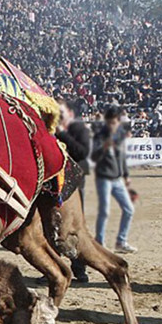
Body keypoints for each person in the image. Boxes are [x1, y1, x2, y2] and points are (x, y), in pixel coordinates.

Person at [91, 106, 137, 253]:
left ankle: (121, 241)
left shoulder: (119, 135)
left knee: (129, 209)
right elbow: (94, 157)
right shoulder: (100, 136)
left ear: (118, 122)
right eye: (109, 122)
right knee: (104, 211)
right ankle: (99, 242)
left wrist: (126, 175)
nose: (112, 125)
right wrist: (104, 147)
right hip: (104, 177)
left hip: (117, 179)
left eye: (114, 122)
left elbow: (122, 157)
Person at [56, 99, 92, 282]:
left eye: (61, 112)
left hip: (75, 183)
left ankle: (79, 269)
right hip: (56, 183)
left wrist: (62, 135)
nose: (58, 116)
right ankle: (54, 267)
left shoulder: (79, 129)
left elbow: (82, 153)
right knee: (53, 225)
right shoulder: (52, 129)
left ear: (70, 113)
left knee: (74, 226)